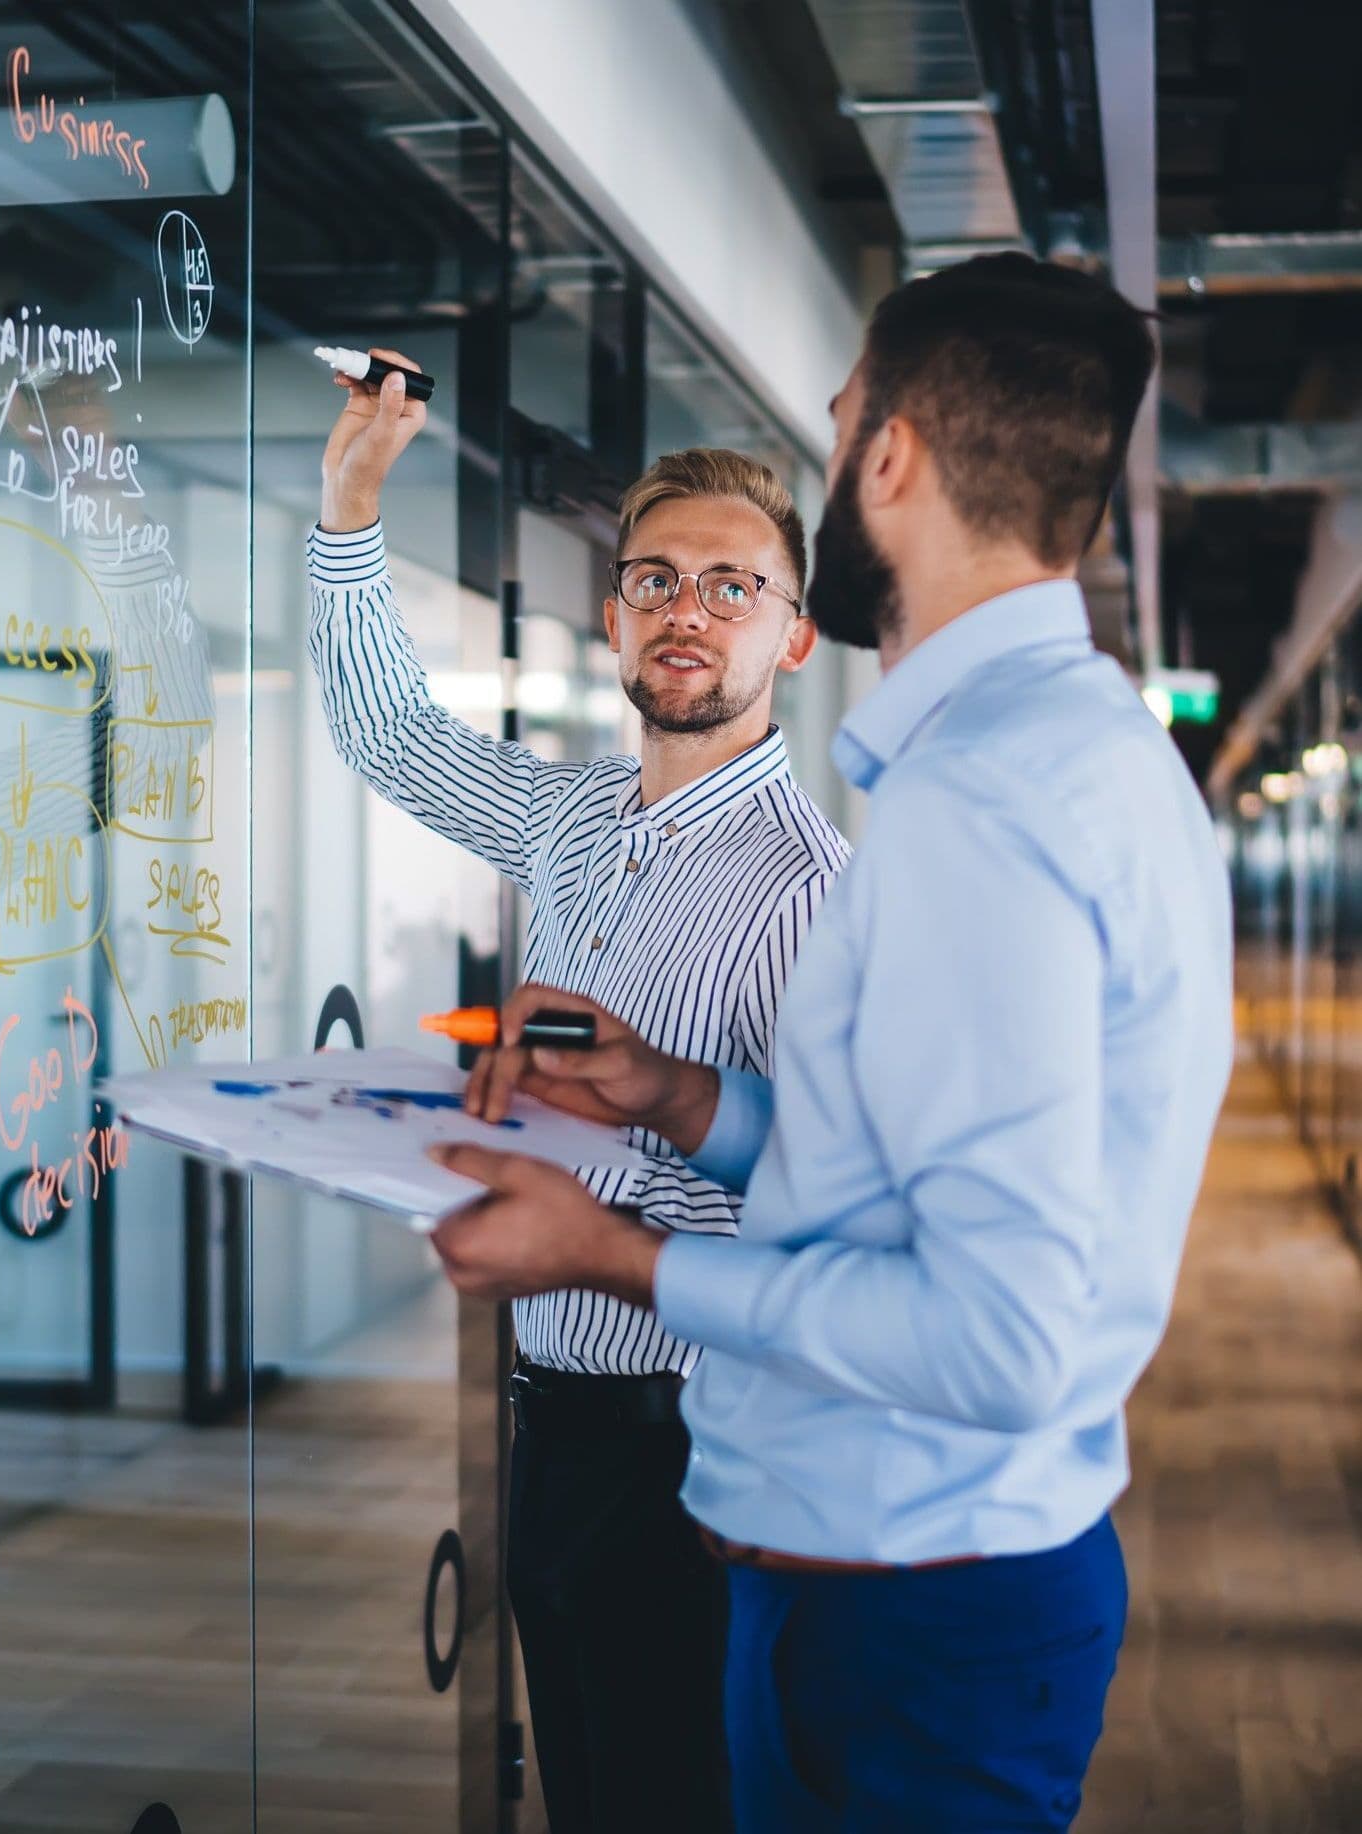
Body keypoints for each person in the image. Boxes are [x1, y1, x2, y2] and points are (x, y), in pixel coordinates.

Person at [425, 255, 1234, 1833]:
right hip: (921, 1588)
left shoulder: (976, 807)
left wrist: (613, 1256)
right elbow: (898, 1178)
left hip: (904, 1618)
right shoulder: (1074, 754)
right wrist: (674, 1092)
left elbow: (993, 1333)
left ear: (890, 461)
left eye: (842, 418)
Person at [308, 352, 847, 1833]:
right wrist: (352, 501)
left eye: (734, 587)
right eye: (656, 578)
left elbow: (828, 1191)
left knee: (673, 1800)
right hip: (555, 1410)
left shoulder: (814, 895)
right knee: (588, 1797)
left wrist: (620, 1155)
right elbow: (386, 736)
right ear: (612, 616)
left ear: (793, 635)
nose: (689, 610)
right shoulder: (569, 817)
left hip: (701, 1432)